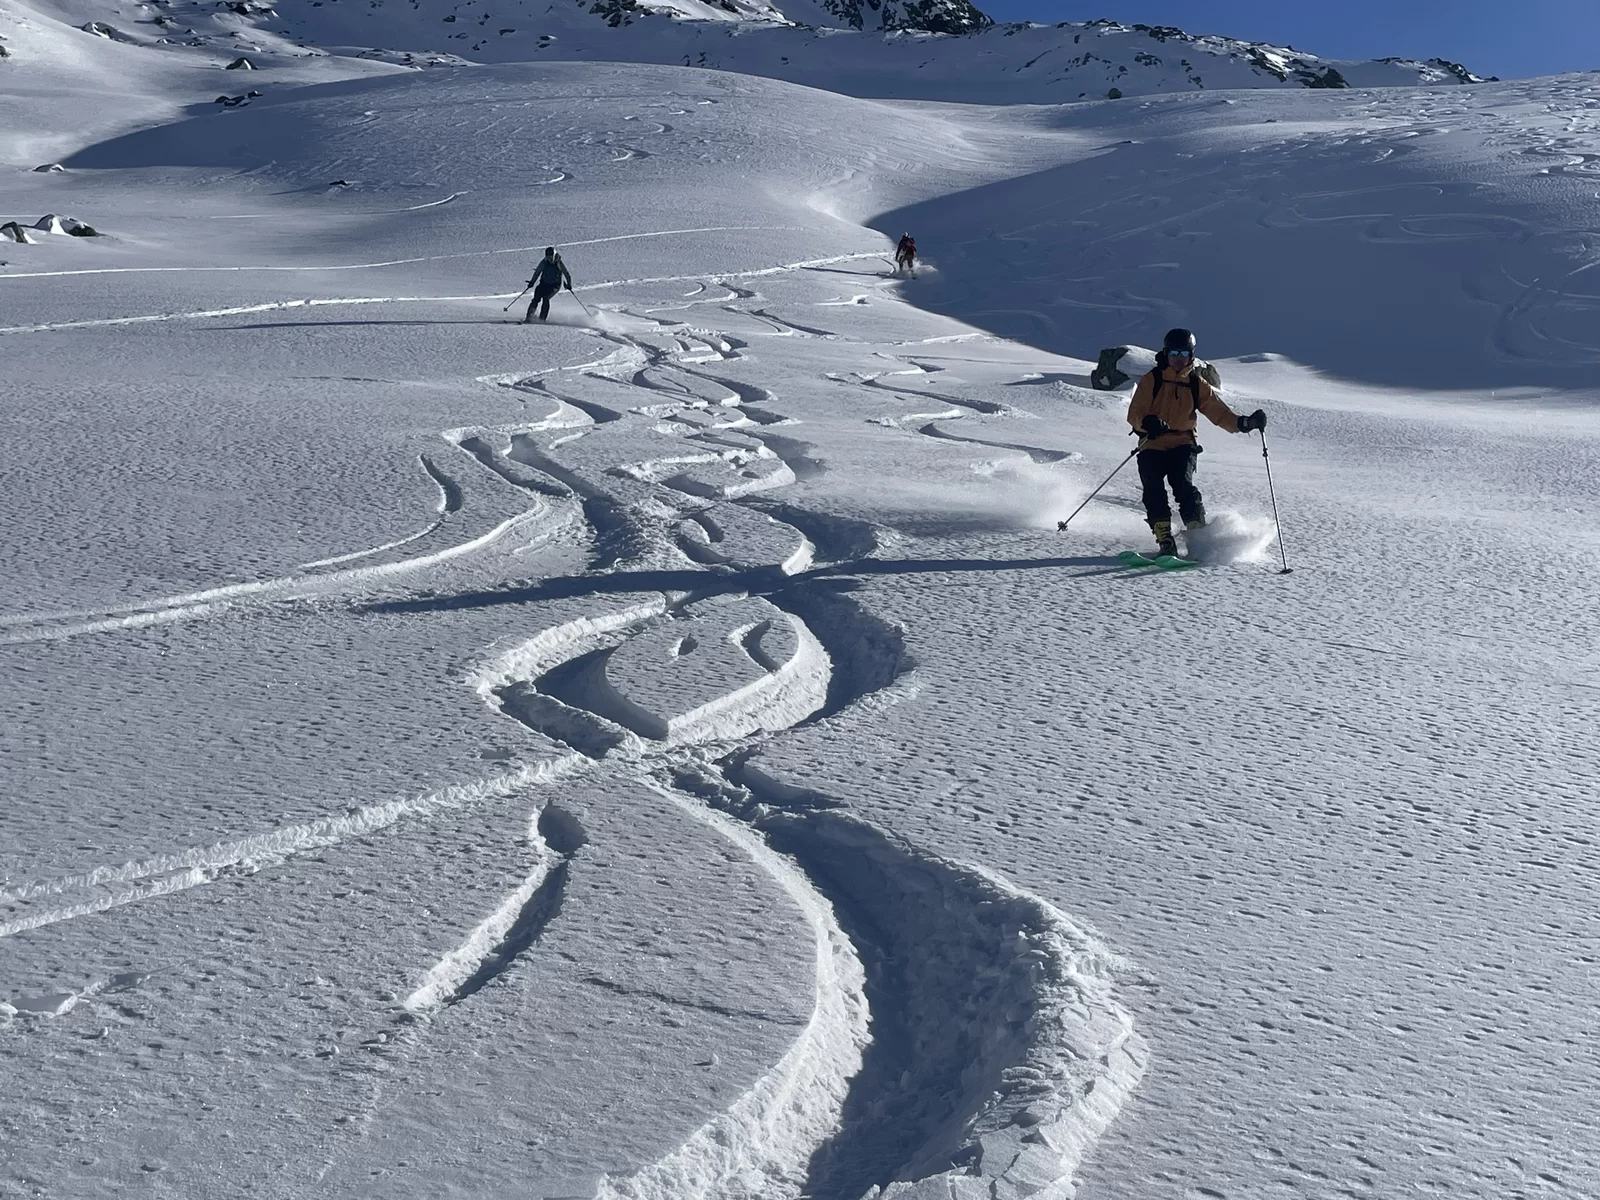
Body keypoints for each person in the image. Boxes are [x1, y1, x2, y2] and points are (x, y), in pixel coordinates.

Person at [1126, 328, 1266, 556]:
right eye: (1174, 353)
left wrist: (1244, 423)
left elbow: (1218, 412)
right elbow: (1135, 413)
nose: (1178, 358)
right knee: (1153, 487)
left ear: (1191, 355)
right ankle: (1165, 539)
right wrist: (1147, 422)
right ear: (1166, 353)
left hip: (1183, 443)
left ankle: (1199, 537)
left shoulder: (1195, 383)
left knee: (1183, 485)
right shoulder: (1152, 379)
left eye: (1184, 353)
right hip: (1152, 442)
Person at [523, 246, 573, 323]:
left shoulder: (559, 263)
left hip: (554, 285)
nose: (550, 259)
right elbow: (537, 272)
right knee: (536, 298)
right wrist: (532, 282)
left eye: (551, 257)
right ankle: (529, 317)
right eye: (548, 257)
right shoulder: (544, 262)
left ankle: (542, 318)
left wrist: (569, 284)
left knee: (546, 298)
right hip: (543, 284)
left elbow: (566, 274)